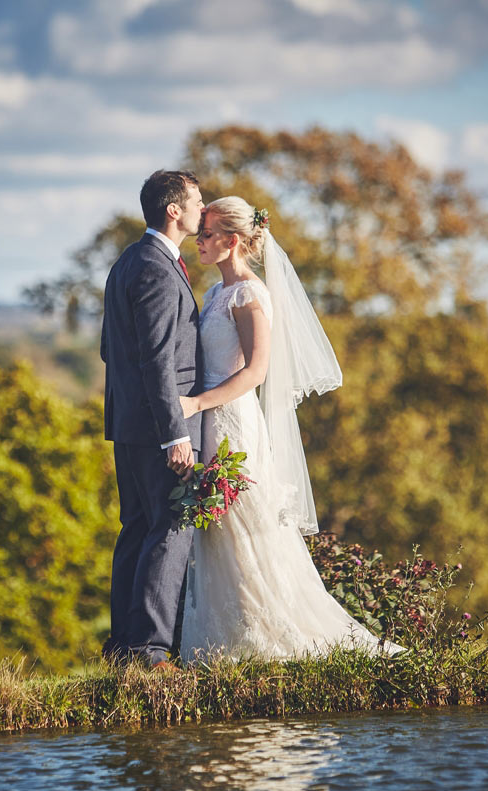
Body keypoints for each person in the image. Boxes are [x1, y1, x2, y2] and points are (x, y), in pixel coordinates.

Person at [177, 196, 401, 662]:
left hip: (233, 421)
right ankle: (227, 638)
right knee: (218, 529)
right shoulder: (218, 293)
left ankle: (265, 634)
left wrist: (197, 402)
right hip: (210, 421)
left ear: (233, 241)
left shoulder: (250, 295)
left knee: (246, 526)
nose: (199, 239)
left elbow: (255, 372)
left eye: (208, 233)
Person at [100, 169, 205, 670]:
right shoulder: (158, 269)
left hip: (129, 425)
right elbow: (159, 361)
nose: (202, 211)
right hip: (159, 430)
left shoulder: (127, 261)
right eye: (197, 203)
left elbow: (110, 351)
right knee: (170, 527)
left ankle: (123, 647)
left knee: (138, 529)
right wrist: (175, 436)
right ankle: (150, 651)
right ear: (174, 211)